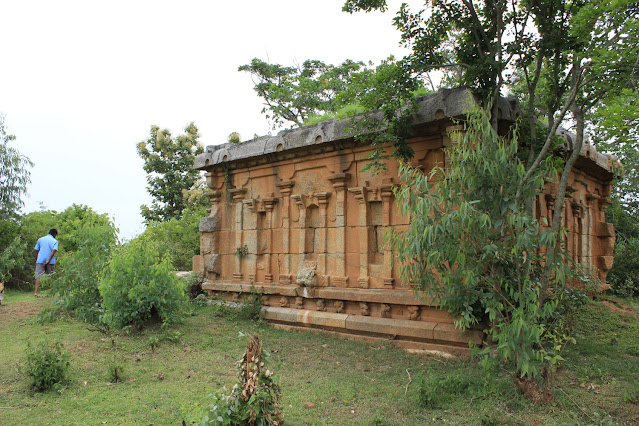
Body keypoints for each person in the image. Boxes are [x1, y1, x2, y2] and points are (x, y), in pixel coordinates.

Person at [34, 228, 58, 296]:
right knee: (50, 276)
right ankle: (49, 292)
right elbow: (53, 251)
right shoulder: (55, 241)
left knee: (38, 276)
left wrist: (37, 259)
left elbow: (36, 250)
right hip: (50, 261)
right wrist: (48, 260)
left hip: (40, 260)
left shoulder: (40, 239)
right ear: (54, 234)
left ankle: (36, 292)